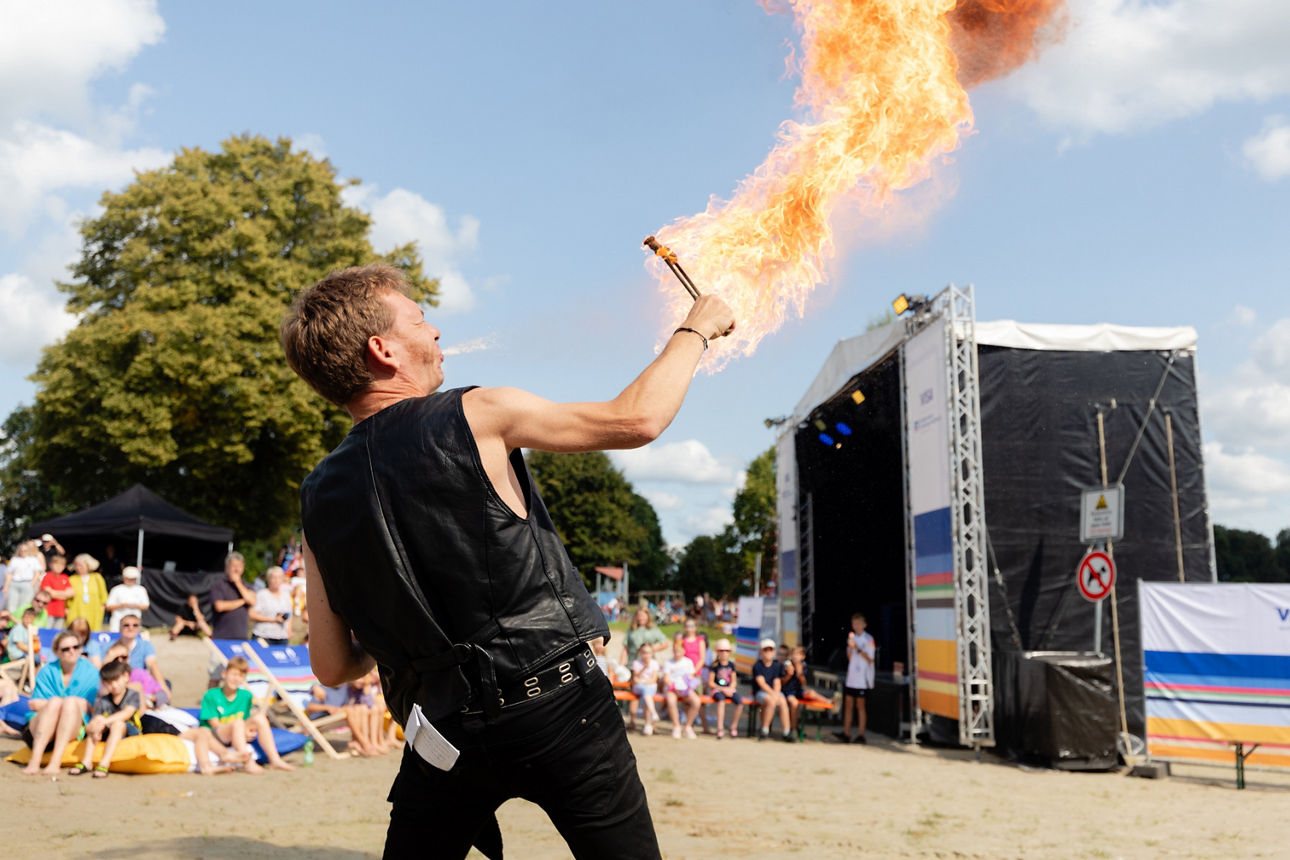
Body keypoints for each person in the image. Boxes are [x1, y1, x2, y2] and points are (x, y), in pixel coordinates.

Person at [282, 262, 732, 859]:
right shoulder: (476, 413)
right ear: (383, 350)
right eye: (418, 320)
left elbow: (333, 665)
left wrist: (407, 639)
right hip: (560, 707)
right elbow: (636, 419)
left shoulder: (316, 496)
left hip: (442, 734)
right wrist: (695, 329)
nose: (435, 330)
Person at [22, 630, 100, 775]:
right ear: (57, 652)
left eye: (76, 647)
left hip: (72, 726)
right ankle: (35, 760)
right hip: (40, 727)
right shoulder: (47, 671)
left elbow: (93, 708)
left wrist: (69, 704)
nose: (72, 651)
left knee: (68, 703)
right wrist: (72, 703)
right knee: (56, 702)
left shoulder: (91, 673)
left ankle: (55, 762)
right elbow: (33, 704)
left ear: (81, 648)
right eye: (66, 649)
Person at [200, 655, 293, 773]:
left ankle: (275, 759)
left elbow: (246, 719)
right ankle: (248, 762)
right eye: (233, 674)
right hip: (217, 733)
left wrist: (248, 732)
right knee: (238, 723)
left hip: (236, 729)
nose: (236, 679)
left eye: (240, 676)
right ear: (224, 674)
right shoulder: (212, 695)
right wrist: (240, 730)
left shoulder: (246, 696)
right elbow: (215, 724)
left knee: (259, 717)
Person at [73, 658, 140, 778]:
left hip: (129, 729)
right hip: (108, 729)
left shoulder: (133, 695)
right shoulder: (103, 700)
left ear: (126, 677)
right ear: (103, 683)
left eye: (116, 680)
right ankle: (87, 761)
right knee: (97, 721)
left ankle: (104, 762)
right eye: (109, 682)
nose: (113, 685)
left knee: (117, 723)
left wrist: (105, 721)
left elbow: (127, 713)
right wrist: (95, 727)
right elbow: (95, 720)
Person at [837, 612, 875, 744]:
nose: (856, 626)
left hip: (863, 679)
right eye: (854, 624)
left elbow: (870, 658)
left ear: (864, 625)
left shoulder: (868, 639)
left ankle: (861, 734)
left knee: (860, 706)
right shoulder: (851, 639)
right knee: (848, 705)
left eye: (859, 623)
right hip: (851, 677)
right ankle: (846, 733)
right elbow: (849, 657)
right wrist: (851, 646)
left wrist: (857, 648)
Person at [752, 638, 792, 742]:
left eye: (770, 650)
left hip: (773, 692)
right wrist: (773, 694)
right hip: (760, 692)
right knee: (771, 701)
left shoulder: (776, 666)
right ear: (761, 652)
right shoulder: (757, 665)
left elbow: (777, 682)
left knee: (783, 701)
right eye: (765, 650)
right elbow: (762, 684)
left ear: (773, 652)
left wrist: (776, 693)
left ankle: (786, 731)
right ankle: (764, 730)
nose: (768, 652)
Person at [660, 638, 701, 739]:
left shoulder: (688, 662)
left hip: (685, 688)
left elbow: (691, 676)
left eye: (679, 651)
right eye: (675, 651)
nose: (677, 653)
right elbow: (666, 678)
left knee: (696, 702)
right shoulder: (669, 663)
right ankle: (676, 726)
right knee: (671, 701)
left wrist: (686, 687)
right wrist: (674, 687)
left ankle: (688, 726)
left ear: (683, 650)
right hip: (672, 688)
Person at [209, 552, 255, 640]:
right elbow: (220, 606)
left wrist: (238, 583)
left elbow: (252, 602)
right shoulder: (218, 585)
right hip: (221, 636)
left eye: (239, 566)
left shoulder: (247, 586)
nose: (237, 569)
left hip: (242, 636)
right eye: (234, 566)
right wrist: (243, 601)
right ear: (227, 567)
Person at [117, 612, 166, 690]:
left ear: (139, 628)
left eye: (135, 625)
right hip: (117, 683)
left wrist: (163, 688)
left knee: (165, 684)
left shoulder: (145, 645)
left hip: (140, 682)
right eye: (126, 625)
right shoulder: (110, 647)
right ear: (120, 628)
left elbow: (153, 666)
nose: (131, 628)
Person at [706, 639, 744, 739]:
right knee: (721, 701)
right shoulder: (714, 666)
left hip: (729, 689)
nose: (724, 653)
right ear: (717, 651)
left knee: (740, 702)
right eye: (721, 651)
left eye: (726, 651)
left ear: (729, 652)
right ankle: (720, 728)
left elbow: (734, 681)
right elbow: (710, 682)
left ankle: (733, 726)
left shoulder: (731, 665)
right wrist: (723, 689)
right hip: (718, 690)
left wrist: (730, 688)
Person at [64, 553, 108, 631]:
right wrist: (66, 609)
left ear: (88, 565)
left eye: (81, 565)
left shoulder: (97, 577)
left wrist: (102, 607)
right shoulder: (71, 579)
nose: (78, 568)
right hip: (75, 611)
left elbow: (103, 595)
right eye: (76, 565)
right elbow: (66, 597)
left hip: (94, 611)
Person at [249, 566, 293, 645]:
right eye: (274, 578)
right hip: (263, 636)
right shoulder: (261, 594)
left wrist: (289, 629)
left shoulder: (286, 595)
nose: (276, 580)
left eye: (279, 577)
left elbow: (289, 614)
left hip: (282, 637)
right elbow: (252, 615)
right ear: (268, 579)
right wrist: (273, 620)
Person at [619, 606, 669, 670]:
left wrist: (650, 649)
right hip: (633, 664)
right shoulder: (631, 630)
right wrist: (621, 666)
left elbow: (665, 643)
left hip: (648, 666)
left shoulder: (653, 629)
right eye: (639, 616)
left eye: (643, 616)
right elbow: (625, 649)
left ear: (647, 616)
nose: (640, 618)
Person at [104, 566, 150, 632]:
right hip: (117, 622)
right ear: (124, 578)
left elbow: (146, 606)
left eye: (133, 579)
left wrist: (135, 605)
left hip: (134, 623)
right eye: (128, 579)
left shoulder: (141, 590)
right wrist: (121, 605)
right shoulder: (116, 589)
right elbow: (108, 606)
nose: (130, 581)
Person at [4, 540, 44, 615]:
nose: (23, 552)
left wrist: (32, 583)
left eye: (25, 550)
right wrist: (6, 586)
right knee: (11, 604)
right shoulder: (14, 559)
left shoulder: (33, 559)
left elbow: (37, 573)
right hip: (14, 583)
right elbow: (9, 574)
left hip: (27, 583)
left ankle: (21, 619)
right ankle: (12, 619)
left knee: (25, 604)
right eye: (21, 550)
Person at [630, 642, 662, 737]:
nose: (646, 655)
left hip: (649, 687)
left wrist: (642, 681)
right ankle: (652, 715)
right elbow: (635, 679)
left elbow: (654, 679)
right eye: (644, 652)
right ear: (640, 652)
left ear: (651, 653)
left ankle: (648, 724)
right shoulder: (636, 663)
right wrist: (644, 668)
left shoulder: (654, 663)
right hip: (640, 687)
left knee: (646, 693)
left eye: (648, 652)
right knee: (646, 691)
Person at [38, 554, 72, 629]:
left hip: (61, 612)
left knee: (57, 632)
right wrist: (64, 594)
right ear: (51, 565)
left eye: (61, 565)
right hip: (48, 611)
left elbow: (71, 593)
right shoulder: (47, 576)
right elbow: (49, 593)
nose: (59, 566)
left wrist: (55, 592)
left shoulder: (65, 577)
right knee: (47, 630)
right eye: (56, 564)